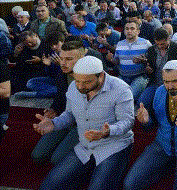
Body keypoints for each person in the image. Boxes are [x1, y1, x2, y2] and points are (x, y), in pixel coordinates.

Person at [34, 56, 134, 190]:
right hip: (85, 147)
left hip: (113, 146)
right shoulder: (73, 87)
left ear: (101, 76)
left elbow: (127, 121)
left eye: (86, 82)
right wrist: (54, 123)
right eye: (77, 81)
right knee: (49, 186)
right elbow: (69, 115)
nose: (80, 86)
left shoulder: (121, 89)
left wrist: (107, 132)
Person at [124, 60, 177, 190]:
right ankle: (165, 167)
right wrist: (146, 121)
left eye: (174, 81)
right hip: (162, 145)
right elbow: (151, 124)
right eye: (166, 82)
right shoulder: (159, 92)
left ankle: (166, 167)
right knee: (129, 184)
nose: (169, 86)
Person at [31, 40, 86, 164]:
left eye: (69, 59)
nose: (63, 63)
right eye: (61, 58)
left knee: (56, 160)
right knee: (37, 156)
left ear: (82, 59)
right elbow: (60, 98)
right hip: (64, 119)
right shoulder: (62, 75)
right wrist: (53, 109)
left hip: (82, 125)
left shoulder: (92, 79)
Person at [140, 26, 177, 108]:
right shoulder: (152, 50)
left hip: (173, 85)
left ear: (169, 39)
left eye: (163, 44)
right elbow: (150, 66)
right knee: (143, 102)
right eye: (157, 44)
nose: (160, 46)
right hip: (156, 83)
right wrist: (148, 69)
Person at [111, 19, 152, 101]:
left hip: (140, 77)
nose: (129, 31)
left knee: (128, 97)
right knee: (114, 96)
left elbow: (153, 61)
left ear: (138, 31)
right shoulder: (120, 44)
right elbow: (117, 62)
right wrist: (111, 59)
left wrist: (144, 61)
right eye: (127, 29)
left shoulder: (146, 43)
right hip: (123, 76)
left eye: (132, 28)